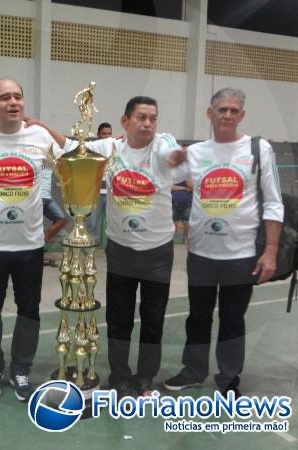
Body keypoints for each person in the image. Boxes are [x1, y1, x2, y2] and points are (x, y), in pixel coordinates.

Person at [28, 96, 186, 396]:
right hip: (121, 249)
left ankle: (144, 378)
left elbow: (173, 155)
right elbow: (72, 147)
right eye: (141, 117)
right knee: (119, 318)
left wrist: (177, 156)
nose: (148, 123)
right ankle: (119, 375)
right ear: (125, 121)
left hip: (157, 252)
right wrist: (42, 126)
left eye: (153, 118)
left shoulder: (163, 144)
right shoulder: (110, 148)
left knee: (152, 319)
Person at [164, 88, 284, 397]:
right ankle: (193, 370)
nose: (227, 115)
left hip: (241, 255)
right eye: (222, 109)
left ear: (242, 115)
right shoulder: (198, 152)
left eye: (234, 110)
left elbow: (273, 202)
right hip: (201, 254)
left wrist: (270, 251)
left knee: (233, 318)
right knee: (198, 316)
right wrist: (172, 159)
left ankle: (228, 377)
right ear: (210, 113)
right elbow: (162, 176)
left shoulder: (259, 150)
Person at [0, 78, 68, 401]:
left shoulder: (40, 138)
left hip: (29, 247)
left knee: (29, 310)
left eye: (18, 96)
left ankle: (21, 369)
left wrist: (47, 127)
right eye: (4, 97)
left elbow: (71, 158)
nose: (13, 102)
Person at [87, 122, 114, 243]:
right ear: (98, 135)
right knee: (92, 224)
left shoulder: (115, 149)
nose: (107, 136)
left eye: (109, 133)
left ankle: (114, 251)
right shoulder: (92, 149)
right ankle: (88, 253)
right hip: (95, 194)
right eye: (104, 134)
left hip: (111, 193)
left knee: (114, 224)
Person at [40, 168, 67, 266]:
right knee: (36, 227)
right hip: (35, 198)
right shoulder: (34, 155)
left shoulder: (51, 157)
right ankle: (36, 254)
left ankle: (40, 246)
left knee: (61, 219)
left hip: (47, 198)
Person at [171, 179, 192, 244]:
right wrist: (184, 188)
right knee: (172, 231)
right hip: (173, 204)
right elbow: (170, 187)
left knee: (188, 232)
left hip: (187, 204)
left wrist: (186, 177)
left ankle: (189, 252)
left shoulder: (188, 172)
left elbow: (191, 186)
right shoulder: (172, 172)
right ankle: (171, 251)